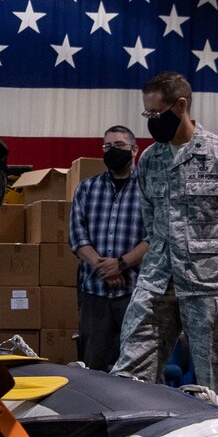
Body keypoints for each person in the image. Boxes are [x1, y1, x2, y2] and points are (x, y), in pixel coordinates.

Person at [112, 73, 218, 404]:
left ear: (180, 105)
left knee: (214, 389)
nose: (151, 122)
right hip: (158, 282)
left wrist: (217, 263)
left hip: (209, 289)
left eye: (156, 114)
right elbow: (152, 224)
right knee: (130, 375)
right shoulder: (150, 159)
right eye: (147, 115)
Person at [69, 125, 148, 370]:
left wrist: (121, 264)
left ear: (135, 150)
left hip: (135, 293)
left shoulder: (149, 190)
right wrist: (104, 268)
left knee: (136, 367)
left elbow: (155, 237)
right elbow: (77, 237)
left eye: (119, 146)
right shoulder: (86, 188)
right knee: (93, 366)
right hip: (94, 292)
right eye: (107, 146)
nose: (112, 151)